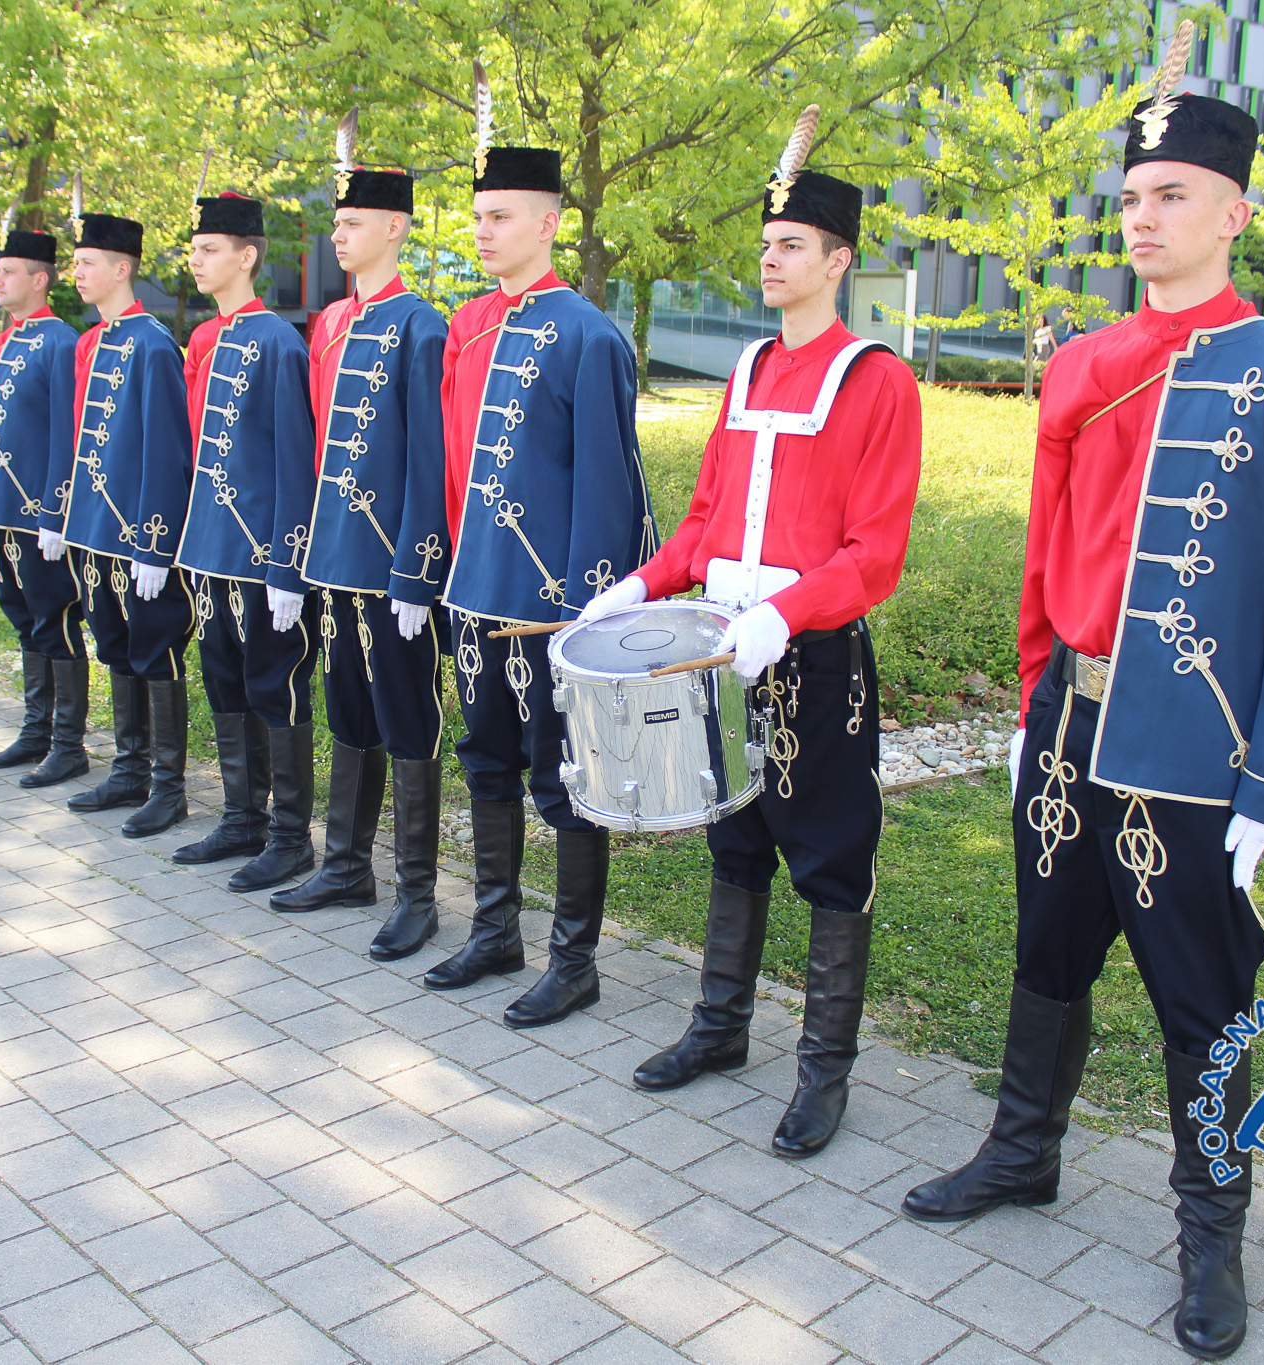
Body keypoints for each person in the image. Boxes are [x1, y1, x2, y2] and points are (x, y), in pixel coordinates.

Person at [898, 37, 1264, 1363]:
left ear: (1234, 213)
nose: (1143, 218)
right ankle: (1022, 1150)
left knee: (1198, 998)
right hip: (1071, 720)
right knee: (1046, 952)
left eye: (1172, 195)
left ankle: (1212, 1234)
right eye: (1131, 196)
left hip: (1193, 749)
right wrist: (1032, 702)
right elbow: (1051, 551)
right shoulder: (1082, 365)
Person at [583, 104, 922, 1159]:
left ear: (838, 260)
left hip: (811, 658)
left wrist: (785, 611)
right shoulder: (743, 371)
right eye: (766, 243)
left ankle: (824, 1072)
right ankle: (719, 1026)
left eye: (791, 246)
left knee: (829, 857)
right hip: (718, 647)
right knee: (732, 839)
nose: (770, 260)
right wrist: (639, 586)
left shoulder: (879, 381)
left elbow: (874, 554)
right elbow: (703, 524)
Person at [421, 61, 657, 1029]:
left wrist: (584, 618)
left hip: (550, 609)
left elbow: (608, 490)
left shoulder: (587, 335)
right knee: (483, 761)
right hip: (474, 594)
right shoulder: (469, 326)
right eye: (478, 217)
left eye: (502, 216)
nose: (484, 231)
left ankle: (574, 959)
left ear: (550, 223)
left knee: (566, 781)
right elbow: (451, 467)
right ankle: (495, 930)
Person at [268, 112, 451, 962]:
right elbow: (314, 449)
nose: (337, 236)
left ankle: (418, 894)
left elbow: (429, 460)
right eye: (335, 222)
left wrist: (417, 570)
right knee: (347, 707)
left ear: (395, 228)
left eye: (352, 222)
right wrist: (298, 555)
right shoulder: (331, 323)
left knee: (406, 716)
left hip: (392, 565)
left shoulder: (422, 325)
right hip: (334, 558)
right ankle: (345, 865)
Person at [169, 194, 322, 893]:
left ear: (247, 255)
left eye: (209, 249)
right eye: (194, 249)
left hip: (262, 556)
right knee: (223, 680)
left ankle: (290, 838)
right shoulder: (204, 339)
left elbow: (295, 459)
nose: (196, 261)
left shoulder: (279, 342)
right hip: (208, 551)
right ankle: (241, 818)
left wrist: (289, 564)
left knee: (274, 687)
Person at [55, 213, 197, 840]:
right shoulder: (91, 342)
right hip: (93, 531)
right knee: (113, 644)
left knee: (154, 649)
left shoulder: (153, 343)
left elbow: (166, 450)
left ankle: (168, 788)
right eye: (75, 263)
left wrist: (156, 542)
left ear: (121, 268)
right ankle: (129, 769)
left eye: (87, 263)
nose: (77, 273)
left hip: (138, 536)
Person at [0, 228, 87, 790]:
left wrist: (57, 512)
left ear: (39, 280)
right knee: (21, 616)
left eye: (8, 271)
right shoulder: (1, 343)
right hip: (0, 509)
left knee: (54, 620)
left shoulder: (62, 342)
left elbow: (68, 432)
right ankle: (37, 730)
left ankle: (68, 745)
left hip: (40, 516)